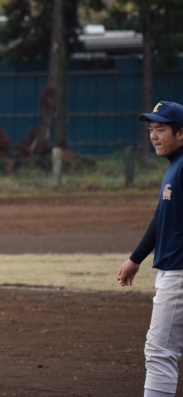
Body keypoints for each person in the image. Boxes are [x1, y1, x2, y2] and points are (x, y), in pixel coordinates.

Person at [117, 101, 183, 397]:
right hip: (174, 270)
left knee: (160, 353)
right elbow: (161, 217)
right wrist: (135, 259)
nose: (154, 135)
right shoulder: (175, 167)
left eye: (161, 129)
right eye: (151, 129)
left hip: (178, 273)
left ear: (181, 133)